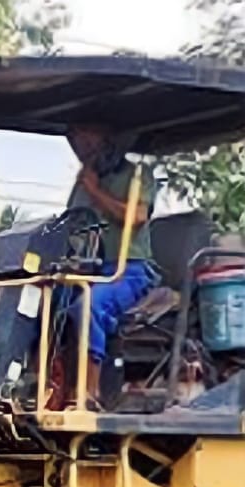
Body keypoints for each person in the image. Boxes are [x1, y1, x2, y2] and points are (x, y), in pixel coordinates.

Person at [63, 124, 161, 406]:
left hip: (131, 270)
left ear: (105, 136)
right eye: (73, 140)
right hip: (88, 269)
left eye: (85, 137)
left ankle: (88, 393)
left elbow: (137, 216)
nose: (80, 147)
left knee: (88, 306)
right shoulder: (83, 183)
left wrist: (95, 192)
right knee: (45, 303)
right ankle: (36, 383)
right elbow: (71, 224)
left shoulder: (136, 174)